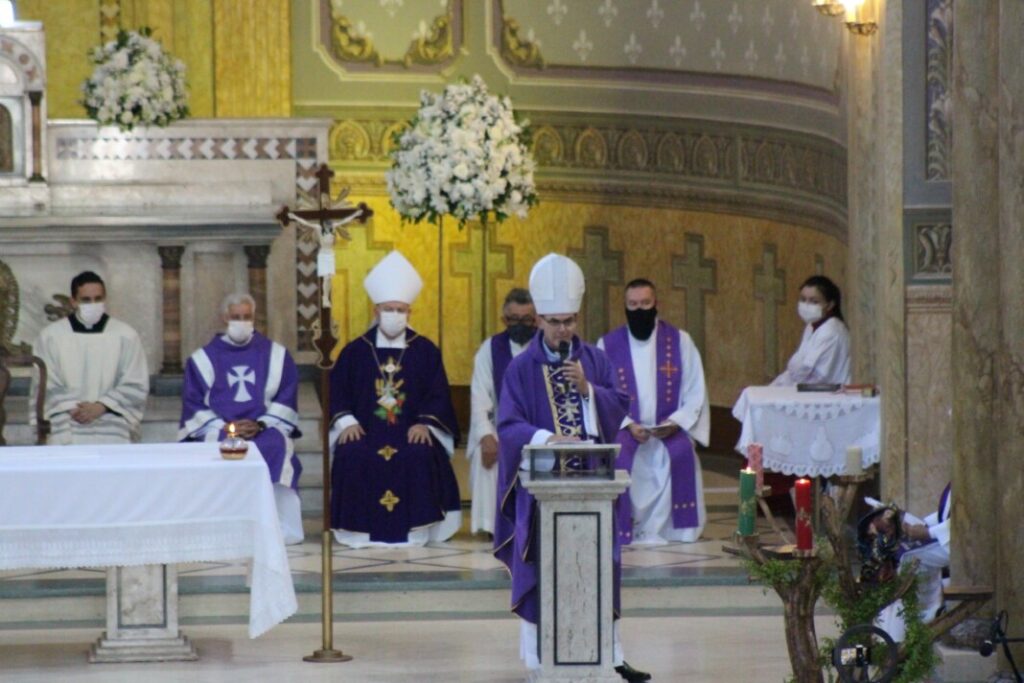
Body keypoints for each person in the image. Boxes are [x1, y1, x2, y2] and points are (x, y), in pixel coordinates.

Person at [494, 253, 650, 683]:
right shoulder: (521, 368)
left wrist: (588, 391)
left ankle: (612, 657)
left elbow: (618, 406)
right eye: (554, 322)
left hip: (593, 486)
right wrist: (547, 438)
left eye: (569, 321)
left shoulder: (594, 361)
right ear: (539, 320)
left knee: (601, 570)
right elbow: (508, 426)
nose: (563, 329)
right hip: (543, 490)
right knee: (543, 571)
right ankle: (540, 659)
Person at [328, 250, 461, 547]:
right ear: (376, 311)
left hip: (411, 430)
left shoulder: (425, 351)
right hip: (365, 431)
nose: (395, 315)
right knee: (352, 454)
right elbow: (338, 391)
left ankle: (416, 530)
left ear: (410, 312)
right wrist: (346, 422)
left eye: (401, 310)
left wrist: (426, 424)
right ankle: (358, 532)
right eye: (389, 309)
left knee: (420, 455)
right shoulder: (355, 351)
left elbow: (438, 393)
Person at [179, 293, 304, 545]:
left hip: (263, 426)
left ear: (254, 318)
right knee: (216, 448)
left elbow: (286, 396)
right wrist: (227, 427)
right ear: (225, 318)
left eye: (247, 317)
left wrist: (261, 424)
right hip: (220, 427)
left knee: (275, 445)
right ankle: (220, 527)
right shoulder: (203, 359)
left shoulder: (277, 355)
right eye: (236, 317)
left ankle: (277, 528)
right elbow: (193, 403)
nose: (242, 322)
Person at [598, 278, 710, 544]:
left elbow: (696, 390)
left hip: (668, 428)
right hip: (629, 429)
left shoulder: (680, 342)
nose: (639, 310)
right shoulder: (608, 345)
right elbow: (603, 395)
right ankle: (626, 528)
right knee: (620, 457)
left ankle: (677, 529)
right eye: (633, 304)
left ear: (656, 303)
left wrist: (675, 423)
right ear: (625, 307)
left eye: (645, 303)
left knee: (681, 452)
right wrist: (628, 424)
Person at [33, 270, 148, 445]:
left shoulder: (125, 335)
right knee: (61, 439)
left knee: (115, 440)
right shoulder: (51, 336)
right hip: (67, 415)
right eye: (86, 300)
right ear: (73, 301)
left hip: (111, 415)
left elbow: (135, 382)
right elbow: (46, 383)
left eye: (98, 299)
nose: (93, 304)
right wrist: (73, 408)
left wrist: (101, 406)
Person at [465, 288, 537, 537]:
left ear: (536, 319)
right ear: (504, 319)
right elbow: (480, 395)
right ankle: (493, 526)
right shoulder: (491, 349)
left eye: (526, 319)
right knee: (485, 453)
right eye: (514, 319)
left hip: (538, 430)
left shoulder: (545, 346)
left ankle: (535, 523)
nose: (520, 325)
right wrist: (486, 435)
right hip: (501, 427)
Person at [875, 483, 952, 642]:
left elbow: (964, 519)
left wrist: (928, 532)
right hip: (945, 537)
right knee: (897, 553)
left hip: (956, 544)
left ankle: (917, 621)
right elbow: (945, 513)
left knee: (908, 559)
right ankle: (889, 635)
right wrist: (921, 525)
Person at [771, 275, 851, 386]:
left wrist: (795, 371)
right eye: (803, 299)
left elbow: (817, 376)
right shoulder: (811, 326)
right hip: (802, 387)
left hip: (824, 391)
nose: (807, 305)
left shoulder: (831, 332)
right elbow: (795, 369)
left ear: (830, 305)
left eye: (814, 301)